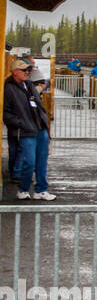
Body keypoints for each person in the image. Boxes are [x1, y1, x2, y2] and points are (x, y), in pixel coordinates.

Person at [4, 56, 54, 200]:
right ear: (15, 71)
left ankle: (41, 190)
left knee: (42, 161)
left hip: (39, 127)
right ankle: (23, 189)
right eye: (24, 70)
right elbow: (6, 112)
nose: (27, 72)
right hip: (26, 130)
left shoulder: (29, 85)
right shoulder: (9, 88)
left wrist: (44, 121)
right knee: (29, 162)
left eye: (28, 70)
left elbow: (38, 105)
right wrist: (20, 123)